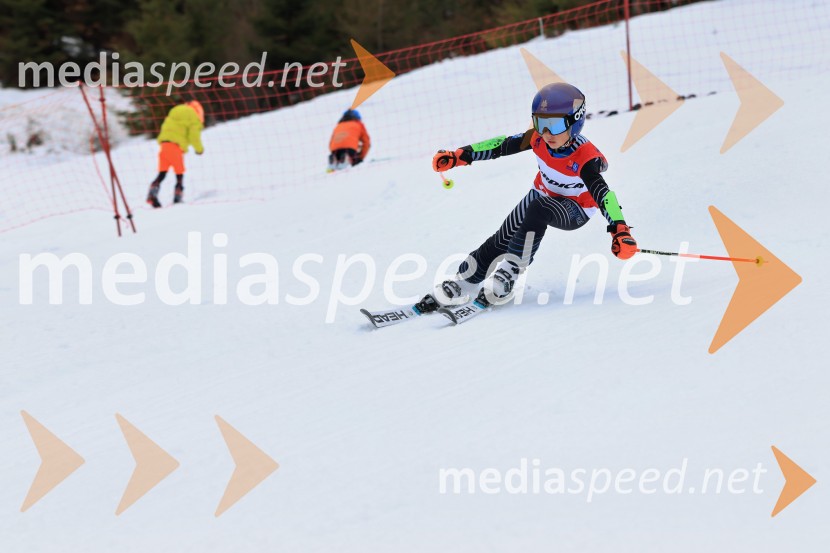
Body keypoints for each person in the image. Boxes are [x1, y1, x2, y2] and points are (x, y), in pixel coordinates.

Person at [418, 82, 638, 312]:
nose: (545, 133)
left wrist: (620, 229)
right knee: (502, 238)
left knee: (538, 208)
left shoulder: (584, 157)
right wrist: (459, 156)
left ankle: (508, 274)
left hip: (575, 210)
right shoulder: (538, 139)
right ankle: (464, 281)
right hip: (542, 195)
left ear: (575, 122)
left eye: (553, 125)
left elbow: (603, 193)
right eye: (540, 123)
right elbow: (501, 146)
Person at [146, 100, 205, 208]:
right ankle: (178, 195)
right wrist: (199, 149)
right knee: (179, 172)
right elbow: (194, 136)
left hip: (164, 145)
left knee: (162, 173)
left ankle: (153, 191)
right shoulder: (193, 116)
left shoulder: (174, 112)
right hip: (175, 147)